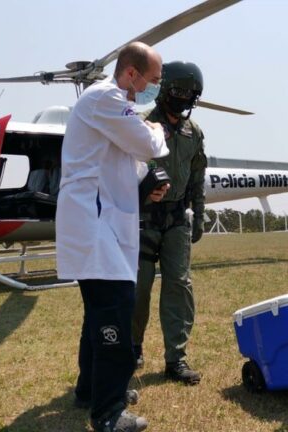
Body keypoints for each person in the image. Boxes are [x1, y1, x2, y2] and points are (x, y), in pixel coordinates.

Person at [55, 41, 170, 432]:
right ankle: (107, 414)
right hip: (94, 226)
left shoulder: (110, 108)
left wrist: (146, 184)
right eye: (153, 80)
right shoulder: (106, 97)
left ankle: (92, 390)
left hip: (101, 224)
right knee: (115, 319)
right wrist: (155, 129)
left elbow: (126, 161)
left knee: (98, 315)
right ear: (131, 73)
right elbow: (149, 145)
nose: (155, 87)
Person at [131, 61, 207, 385]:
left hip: (177, 220)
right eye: (179, 92)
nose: (184, 100)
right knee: (139, 287)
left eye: (190, 95)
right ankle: (132, 349)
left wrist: (199, 215)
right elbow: (127, 171)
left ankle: (176, 358)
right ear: (165, 91)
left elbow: (197, 179)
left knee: (178, 285)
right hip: (144, 220)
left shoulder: (194, 133)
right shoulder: (142, 126)